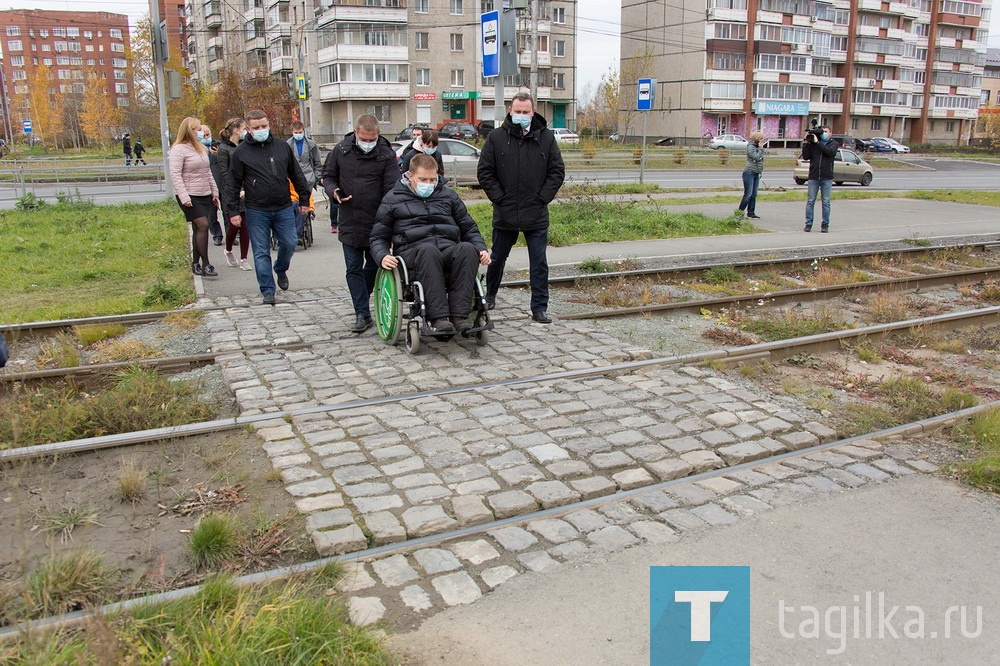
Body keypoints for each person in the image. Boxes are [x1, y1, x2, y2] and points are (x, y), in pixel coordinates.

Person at [370, 154, 490, 333]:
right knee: (428, 250)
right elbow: (378, 236)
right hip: (413, 253)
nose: (428, 183)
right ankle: (438, 318)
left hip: (447, 249)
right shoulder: (393, 199)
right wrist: (382, 256)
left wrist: (481, 248)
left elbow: (468, 227)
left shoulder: (448, 195)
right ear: (410, 176)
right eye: (423, 179)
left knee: (467, 249)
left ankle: (459, 316)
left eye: (432, 179)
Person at [477, 92, 565, 324]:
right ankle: (491, 294)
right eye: (518, 111)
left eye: (526, 112)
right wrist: (500, 198)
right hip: (506, 211)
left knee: (538, 262)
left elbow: (556, 171)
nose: (522, 115)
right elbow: (485, 171)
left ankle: (539, 308)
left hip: (535, 212)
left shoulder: (545, 138)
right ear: (510, 110)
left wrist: (542, 197)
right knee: (497, 258)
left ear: (533, 112)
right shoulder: (496, 138)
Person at [224, 109, 310, 305]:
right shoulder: (241, 152)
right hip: (256, 209)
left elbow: (296, 174)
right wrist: (233, 211)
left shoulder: (281, 147)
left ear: (268, 125)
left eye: (264, 126)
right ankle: (267, 290)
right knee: (261, 251)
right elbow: (232, 184)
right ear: (249, 129)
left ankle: (280, 269)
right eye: (256, 128)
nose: (261, 130)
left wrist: (304, 199)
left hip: (283, 207)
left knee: (289, 242)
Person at [322, 114, 399, 333]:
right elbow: (328, 176)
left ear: (378, 135)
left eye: (372, 138)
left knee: (375, 265)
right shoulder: (341, 150)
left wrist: (388, 213)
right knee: (353, 268)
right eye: (364, 138)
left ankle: (362, 298)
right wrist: (333, 192)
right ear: (355, 133)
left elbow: (392, 187)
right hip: (350, 218)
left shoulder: (386, 153)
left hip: (378, 220)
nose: (368, 143)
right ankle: (362, 313)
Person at [169, 117, 219, 277]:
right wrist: (184, 197)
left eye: (201, 129)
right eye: (196, 129)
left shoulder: (200, 148)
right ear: (188, 131)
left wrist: (214, 192)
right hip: (189, 195)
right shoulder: (178, 149)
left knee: (198, 229)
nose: (200, 133)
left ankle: (195, 263)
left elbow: (208, 172)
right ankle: (206, 264)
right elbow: (175, 175)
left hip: (204, 193)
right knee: (203, 225)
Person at [217, 117, 252, 271]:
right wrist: (235, 189)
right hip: (231, 192)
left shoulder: (244, 146)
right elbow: (224, 173)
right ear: (237, 129)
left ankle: (244, 258)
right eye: (244, 128)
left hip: (246, 191)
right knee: (234, 225)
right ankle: (229, 249)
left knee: (245, 225)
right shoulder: (224, 149)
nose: (246, 131)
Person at [287, 121, 323, 243]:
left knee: (304, 202)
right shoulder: (287, 145)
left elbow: (318, 163)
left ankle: (298, 231)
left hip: (308, 178)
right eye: (296, 133)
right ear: (292, 132)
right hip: (291, 179)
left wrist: (316, 177)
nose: (298, 134)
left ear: (304, 132)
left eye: (300, 132)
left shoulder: (311, 145)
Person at [802, 124, 838, 233]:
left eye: (826, 132)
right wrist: (806, 142)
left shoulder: (833, 144)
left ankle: (825, 224)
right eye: (822, 132)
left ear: (830, 133)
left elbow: (829, 152)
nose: (824, 134)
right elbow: (806, 156)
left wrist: (818, 143)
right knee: (810, 201)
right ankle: (808, 223)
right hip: (813, 176)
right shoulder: (813, 144)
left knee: (826, 201)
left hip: (826, 177)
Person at [201, 124, 224, 246]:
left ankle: (233, 234)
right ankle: (217, 235)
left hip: (222, 182)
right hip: (207, 185)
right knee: (211, 213)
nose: (206, 137)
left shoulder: (219, 145)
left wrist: (219, 154)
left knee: (228, 210)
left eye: (207, 134)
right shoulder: (197, 148)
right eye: (203, 135)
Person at [738, 131, 766, 220]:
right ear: (756, 140)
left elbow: (760, 160)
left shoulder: (758, 148)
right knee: (748, 194)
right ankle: (739, 212)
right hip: (749, 172)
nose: (762, 142)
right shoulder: (750, 147)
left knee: (754, 194)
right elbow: (756, 157)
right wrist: (761, 149)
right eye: (761, 140)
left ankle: (751, 212)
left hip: (756, 173)